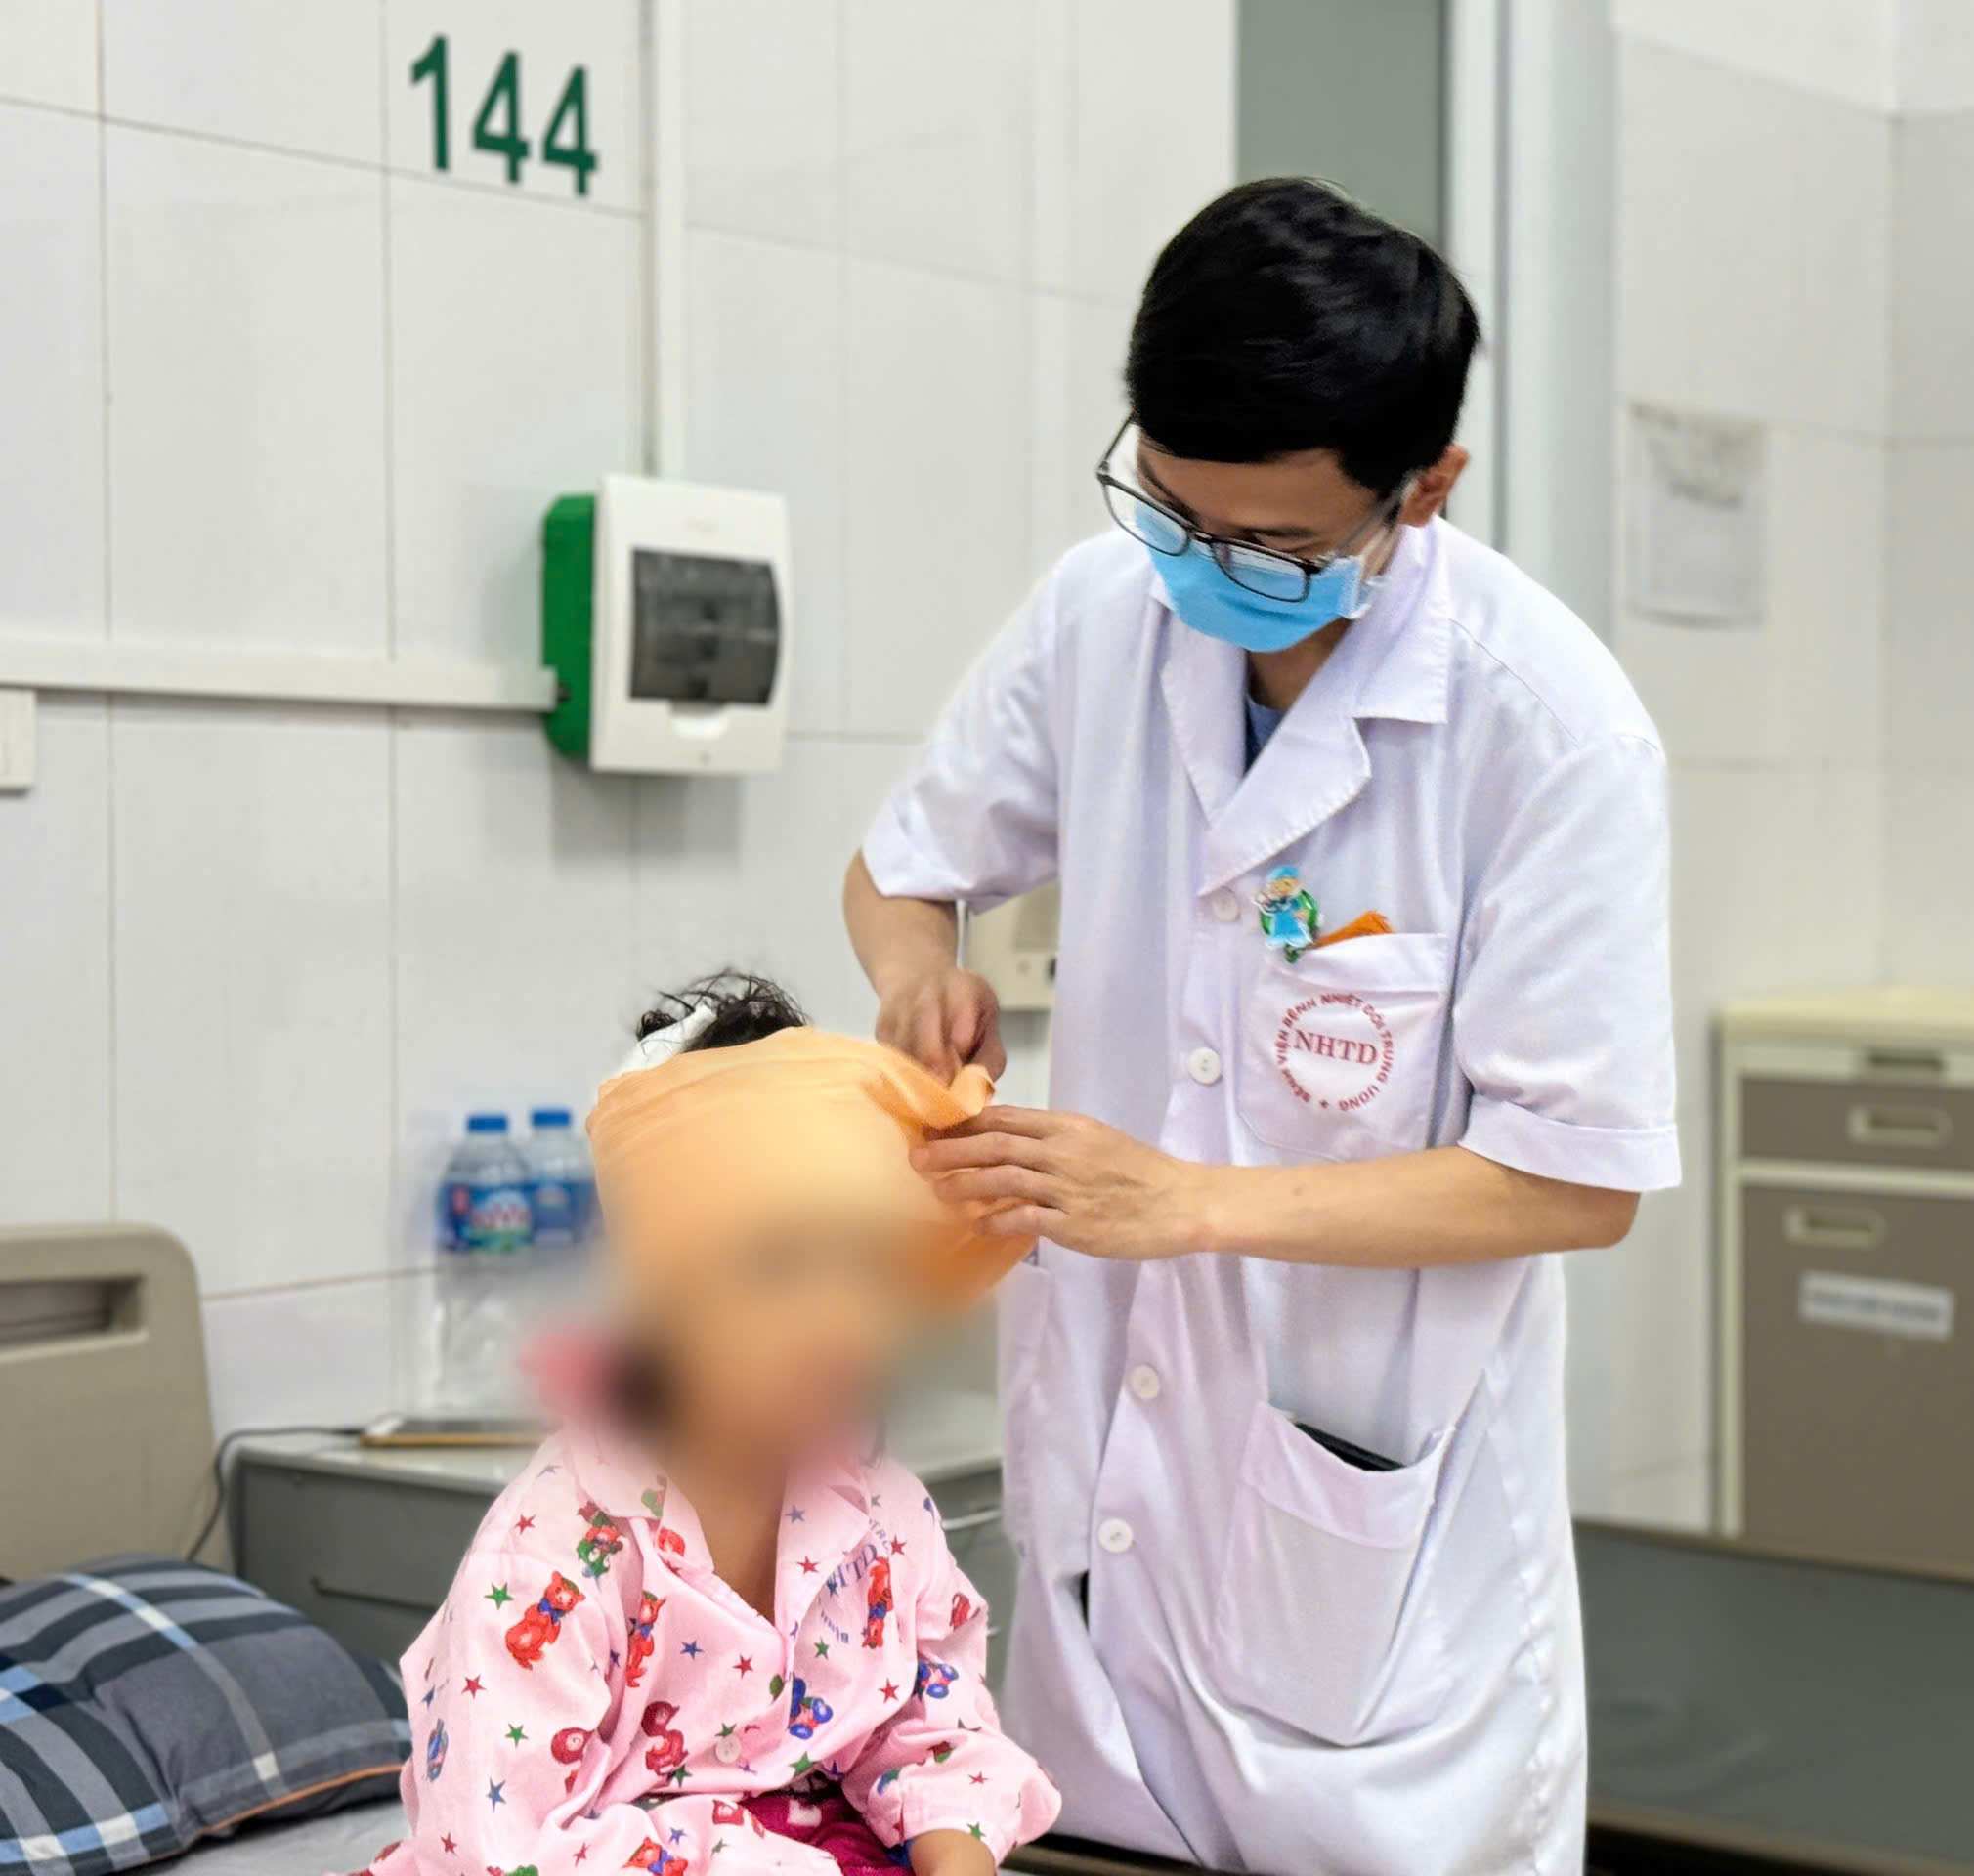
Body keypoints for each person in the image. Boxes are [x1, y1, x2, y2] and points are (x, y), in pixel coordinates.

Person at [845, 179, 1677, 1874]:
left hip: (1381, 1614)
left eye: (1273, 548)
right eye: (1170, 512)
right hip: (1109, 1536)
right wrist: (912, 969)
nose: (1203, 575)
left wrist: (1194, 1203)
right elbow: (898, 868)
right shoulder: (1098, 611)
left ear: (1423, 491)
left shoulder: (1550, 733)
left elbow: (1576, 1183)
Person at [340, 974, 1059, 1876]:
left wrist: (957, 1862)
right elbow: (498, 1851)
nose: (841, 1322)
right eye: (776, 1264)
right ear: (663, 1293)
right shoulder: (551, 1562)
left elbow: (931, 1731)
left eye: (870, 1262)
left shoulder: (884, 1516)